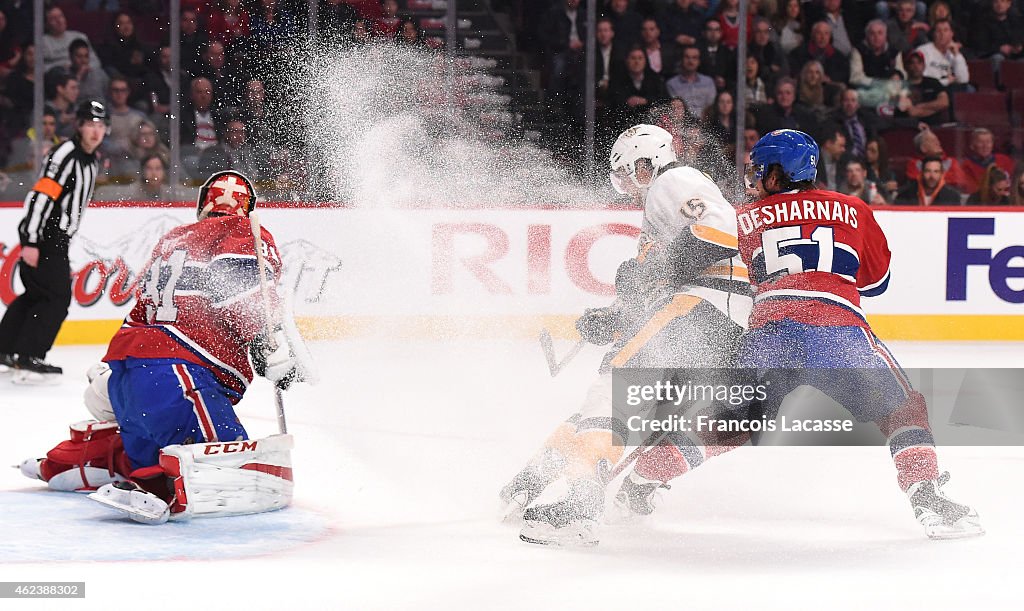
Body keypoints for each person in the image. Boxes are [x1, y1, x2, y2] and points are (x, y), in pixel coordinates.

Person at [505, 124, 752, 546]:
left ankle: (580, 509)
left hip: (706, 306)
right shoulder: (661, 202)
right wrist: (616, 316)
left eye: (627, 172)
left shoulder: (673, 180)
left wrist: (647, 273)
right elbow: (657, 284)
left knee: (615, 387)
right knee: (620, 406)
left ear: (647, 161)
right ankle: (534, 478)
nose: (626, 185)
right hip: (709, 318)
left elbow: (722, 233)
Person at [18, 170, 305, 525]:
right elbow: (241, 291)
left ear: (203, 204)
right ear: (247, 208)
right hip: (177, 377)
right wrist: (265, 342)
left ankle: (73, 462)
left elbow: (140, 311)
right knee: (232, 467)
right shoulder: (244, 230)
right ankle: (156, 488)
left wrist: (113, 373)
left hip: (129, 376)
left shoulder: (173, 239)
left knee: (152, 458)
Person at [735, 129, 981, 539]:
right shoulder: (853, 208)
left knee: (727, 421)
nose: (754, 180)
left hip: (769, 334)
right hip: (838, 335)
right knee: (904, 410)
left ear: (778, 176)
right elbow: (875, 282)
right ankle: (926, 495)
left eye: (760, 172)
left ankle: (641, 483)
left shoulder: (741, 217)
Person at [0, 100, 107, 381]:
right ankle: (29, 354)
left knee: (38, 294)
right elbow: (41, 196)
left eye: (100, 125)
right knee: (57, 298)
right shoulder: (66, 155)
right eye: (90, 125)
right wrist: (32, 240)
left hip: (55, 237)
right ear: (79, 127)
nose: (95, 131)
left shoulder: (91, 160)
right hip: (45, 235)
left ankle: (6, 348)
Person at [959, 128, 1015, 195]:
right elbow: (972, 191)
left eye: (988, 142)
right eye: (980, 142)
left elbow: (1015, 183)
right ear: (972, 145)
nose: (985, 146)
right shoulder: (966, 166)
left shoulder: (1005, 160)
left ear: (992, 144)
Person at [665, 45, 716, 117]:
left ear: (699, 61)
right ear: (681, 60)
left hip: (706, 123)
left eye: (694, 58)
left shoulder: (708, 82)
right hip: (682, 124)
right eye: (687, 57)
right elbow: (675, 109)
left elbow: (711, 107)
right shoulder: (672, 84)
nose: (690, 61)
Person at [894, 155, 963, 205]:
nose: (932, 176)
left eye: (936, 171)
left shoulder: (952, 197)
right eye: (928, 171)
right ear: (921, 173)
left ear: (942, 174)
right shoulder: (904, 195)